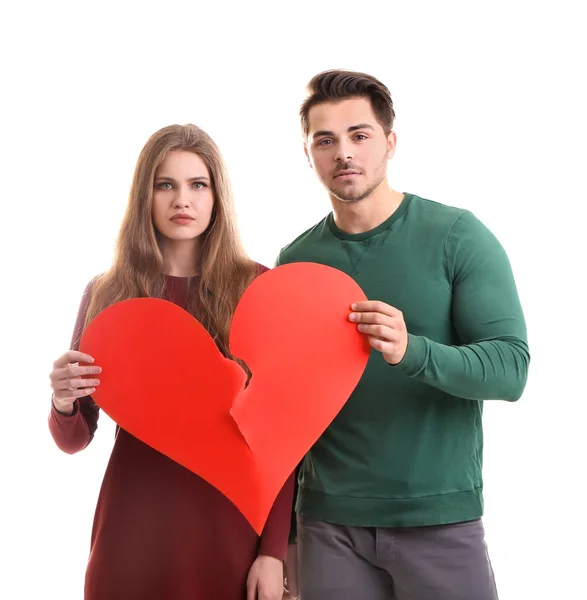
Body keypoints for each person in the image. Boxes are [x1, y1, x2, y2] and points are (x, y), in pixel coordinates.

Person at [277, 70, 530, 600]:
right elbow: (290, 411)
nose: (343, 152)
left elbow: (510, 370)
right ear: (308, 155)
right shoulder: (296, 261)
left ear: (390, 143)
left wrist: (411, 351)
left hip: (439, 520)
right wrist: (288, 540)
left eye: (359, 135)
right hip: (328, 524)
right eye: (325, 140)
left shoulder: (458, 236)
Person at [48, 124, 294, 600]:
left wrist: (274, 550)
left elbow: (282, 437)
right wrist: (62, 401)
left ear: (216, 196)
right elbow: (75, 440)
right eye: (166, 185)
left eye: (197, 185)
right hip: (132, 522)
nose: (183, 200)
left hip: (232, 524)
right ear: (145, 196)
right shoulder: (107, 292)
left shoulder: (258, 288)